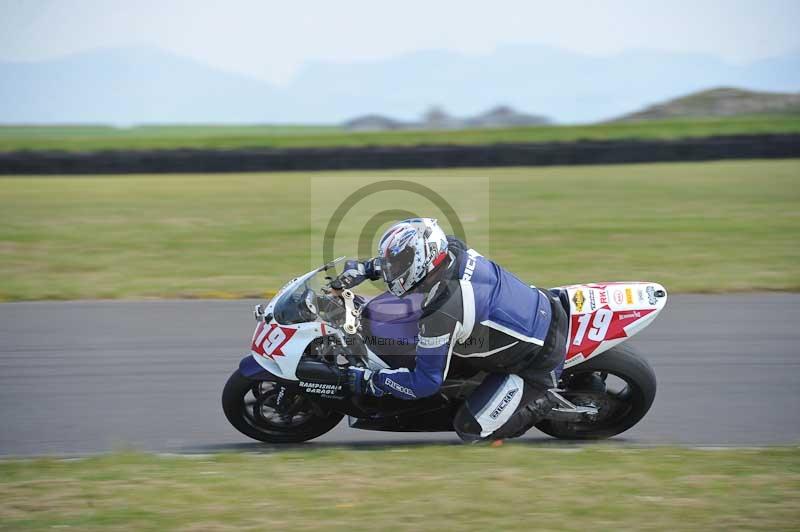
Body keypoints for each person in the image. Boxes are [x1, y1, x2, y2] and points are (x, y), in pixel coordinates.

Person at [337, 217, 569, 442]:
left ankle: (543, 400)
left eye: (396, 264)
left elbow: (426, 382)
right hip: (536, 307)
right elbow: (413, 261)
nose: (391, 269)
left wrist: (372, 380)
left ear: (422, 259)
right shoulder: (452, 249)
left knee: (470, 429)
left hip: (538, 360)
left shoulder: (442, 311)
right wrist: (366, 268)